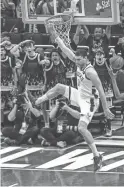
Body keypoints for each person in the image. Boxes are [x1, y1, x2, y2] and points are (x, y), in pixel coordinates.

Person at [35, 25, 114, 172]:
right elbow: (65, 49)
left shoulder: (91, 72)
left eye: (79, 59)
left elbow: (102, 91)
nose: (76, 61)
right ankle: (41, 99)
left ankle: (97, 156)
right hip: (80, 94)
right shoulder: (78, 62)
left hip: (90, 101)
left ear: (85, 58)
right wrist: (55, 35)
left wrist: (106, 107)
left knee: (81, 128)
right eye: (75, 59)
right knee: (58, 86)